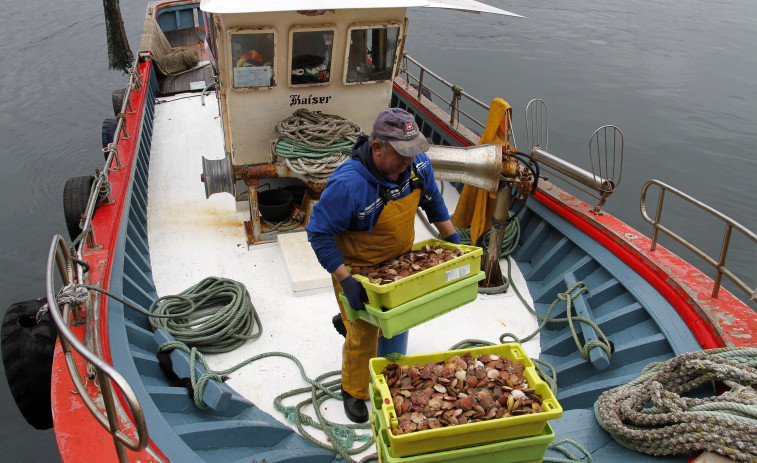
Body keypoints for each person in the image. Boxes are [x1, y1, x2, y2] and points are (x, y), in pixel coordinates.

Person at [305, 108, 461, 423]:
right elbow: (319, 234)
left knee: (400, 316)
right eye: (403, 152)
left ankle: (346, 319)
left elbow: (432, 201)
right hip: (358, 268)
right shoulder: (347, 185)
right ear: (378, 148)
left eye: (414, 149)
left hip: (401, 260)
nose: (410, 159)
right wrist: (347, 281)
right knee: (364, 332)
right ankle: (353, 390)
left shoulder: (418, 165)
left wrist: (455, 241)